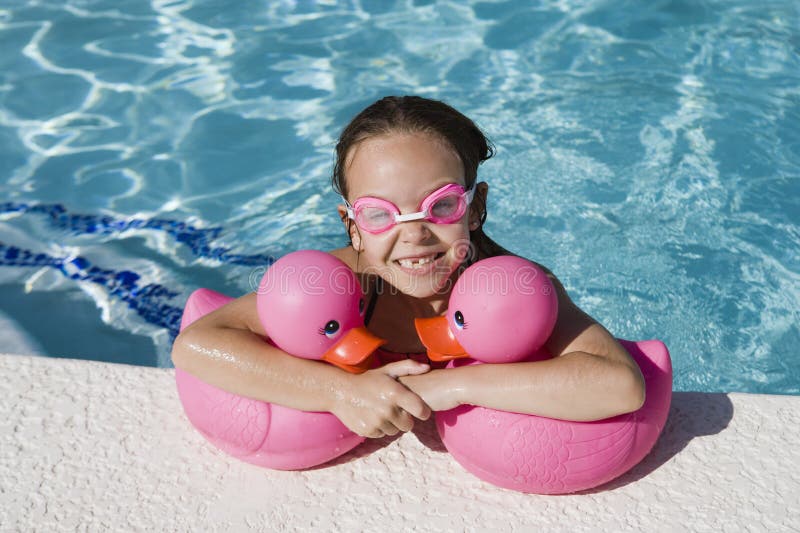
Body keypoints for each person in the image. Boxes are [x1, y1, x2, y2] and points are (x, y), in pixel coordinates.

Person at [171, 96, 645, 440]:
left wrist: (452, 385)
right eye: (380, 215)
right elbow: (197, 345)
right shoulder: (339, 283)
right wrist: (339, 392)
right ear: (352, 226)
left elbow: (619, 384)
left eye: (439, 207)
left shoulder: (512, 289)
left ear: (475, 206)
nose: (414, 235)